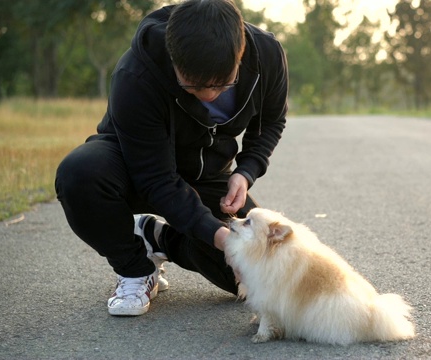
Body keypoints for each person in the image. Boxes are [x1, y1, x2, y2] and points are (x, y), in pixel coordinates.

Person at [55, 0, 288, 316]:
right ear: (172, 56)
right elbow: (157, 179)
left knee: (251, 280)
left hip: (205, 173)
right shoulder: (135, 74)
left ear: (241, 54)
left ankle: (158, 236)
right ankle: (136, 269)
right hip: (134, 168)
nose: (207, 95)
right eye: (191, 85)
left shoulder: (268, 57)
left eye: (222, 84)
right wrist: (220, 237)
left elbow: (272, 121)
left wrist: (245, 172)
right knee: (79, 174)